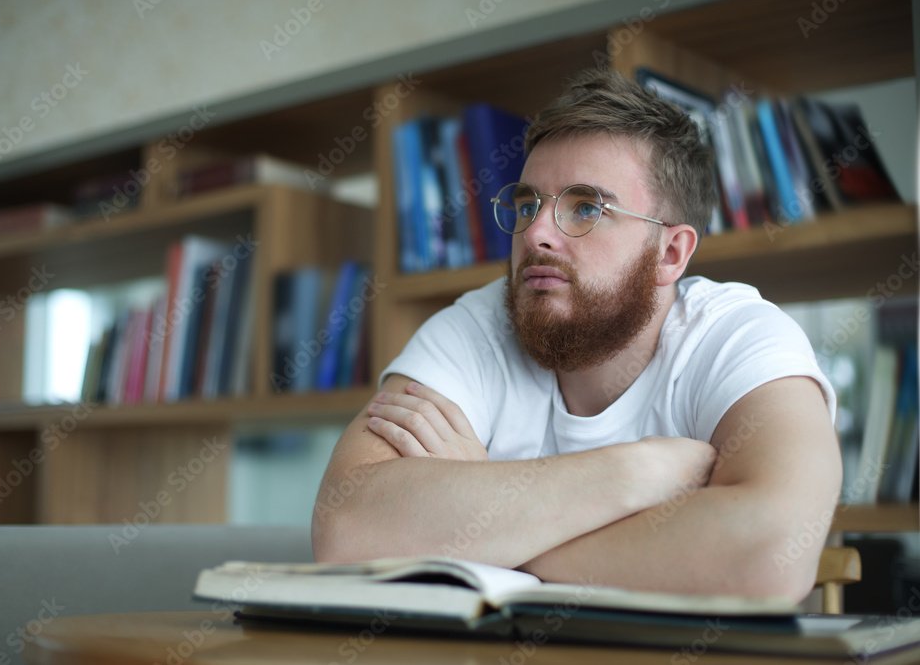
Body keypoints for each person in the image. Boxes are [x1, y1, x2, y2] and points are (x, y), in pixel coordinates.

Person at [311, 68, 841, 602]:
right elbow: (344, 528)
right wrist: (631, 473)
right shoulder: (476, 327)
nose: (536, 234)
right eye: (527, 205)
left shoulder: (739, 338)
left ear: (670, 253)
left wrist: (496, 528)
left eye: (586, 208)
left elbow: (769, 558)